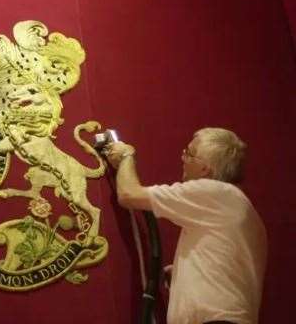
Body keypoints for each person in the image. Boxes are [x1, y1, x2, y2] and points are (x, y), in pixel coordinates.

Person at [102, 128, 267, 324]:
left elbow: (129, 195)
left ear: (205, 169)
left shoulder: (214, 193)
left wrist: (126, 157)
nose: (183, 157)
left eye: (189, 153)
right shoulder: (237, 206)